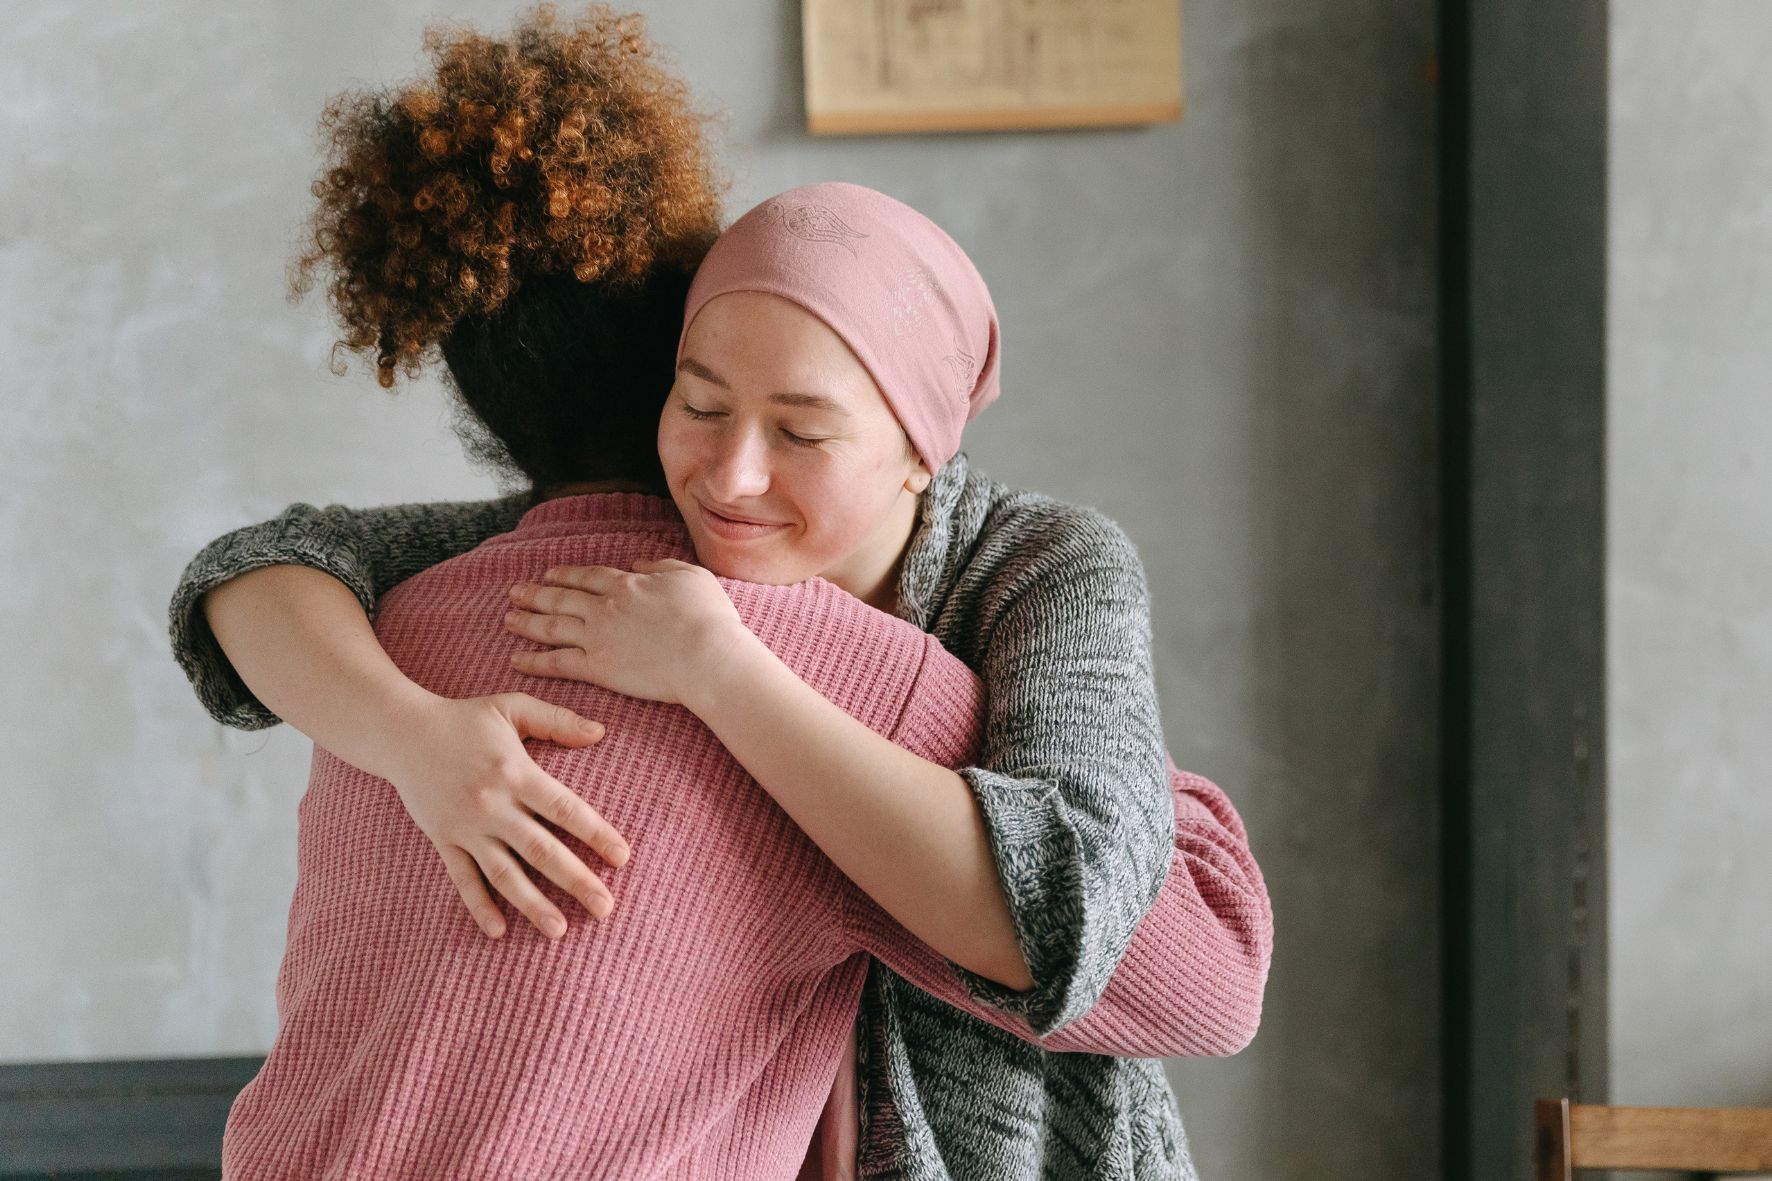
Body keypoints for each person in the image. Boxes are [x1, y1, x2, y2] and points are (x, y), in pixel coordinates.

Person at [169, 8, 1272, 1178]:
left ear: (922, 447)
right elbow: (265, 562)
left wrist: (722, 670)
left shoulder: (1031, 566)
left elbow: (1123, 929)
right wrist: (417, 737)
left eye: (800, 430)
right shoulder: (610, 562)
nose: (731, 474)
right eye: (698, 405)